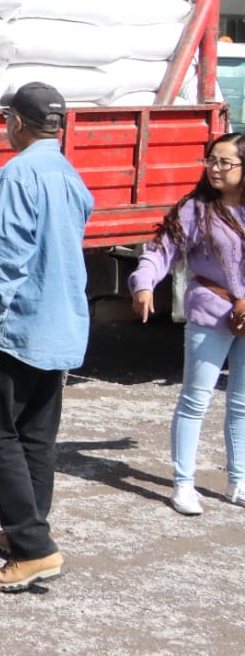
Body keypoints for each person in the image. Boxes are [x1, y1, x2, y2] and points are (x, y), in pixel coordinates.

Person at [0, 82, 92, 592]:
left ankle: (33, 548)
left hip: (16, 327)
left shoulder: (16, 175)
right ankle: (28, 526)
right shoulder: (68, 173)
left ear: (18, 123)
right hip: (57, 324)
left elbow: (11, 256)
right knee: (35, 435)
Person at [129, 132, 245, 514]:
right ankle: (183, 484)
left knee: (242, 404)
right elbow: (161, 251)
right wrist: (144, 284)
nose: (214, 168)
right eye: (211, 160)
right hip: (210, 313)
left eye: (224, 162)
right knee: (196, 400)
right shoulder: (196, 210)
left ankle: (238, 480)